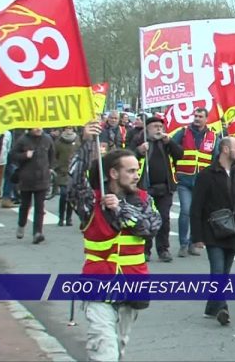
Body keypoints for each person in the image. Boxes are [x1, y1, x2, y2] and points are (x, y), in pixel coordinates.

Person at [68, 121, 161, 362]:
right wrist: (86, 143)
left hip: (133, 284)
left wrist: (121, 209)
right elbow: (74, 185)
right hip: (98, 283)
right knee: (103, 348)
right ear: (113, 173)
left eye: (137, 169)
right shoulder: (92, 202)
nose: (136, 174)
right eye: (130, 170)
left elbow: (150, 227)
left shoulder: (143, 199)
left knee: (119, 346)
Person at [191, 136, 235, 325]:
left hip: (234, 230)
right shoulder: (206, 175)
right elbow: (197, 207)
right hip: (213, 231)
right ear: (225, 150)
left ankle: (212, 306)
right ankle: (222, 308)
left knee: (224, 273)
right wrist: (197, 236)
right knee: (218, 271)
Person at [130, 116, 184, 262]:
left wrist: (170, 142)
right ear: (147, 128)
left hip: (165, 187)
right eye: (155, 126)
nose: (158, 129)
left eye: (160, 126)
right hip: (144, 188)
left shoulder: (166, 141)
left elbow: (180, 154)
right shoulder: (138, 140)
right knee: (145, 219)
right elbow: (126, 157)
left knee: (164, 219)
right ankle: (145, 250)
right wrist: (138, 151)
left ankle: (163, 249)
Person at [172, 107, 218, 257]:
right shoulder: (183, 132)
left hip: (203, 181)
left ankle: (193, 242)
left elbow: (215, 158)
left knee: (198, 213)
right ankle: (183, 244)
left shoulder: (213, 136)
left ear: (206, 119)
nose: (197, 118)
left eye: (200, 116)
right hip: (185, 179)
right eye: (195, 115)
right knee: (186, 211)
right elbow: (172, 147)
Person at [11, 128, 54, 244]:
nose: (38, 129)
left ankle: (37, 232)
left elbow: (51, 155)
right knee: (25, 205)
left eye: (40, 126)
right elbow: (13, 155)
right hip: (26, 179)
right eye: (35, 126)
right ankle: (21, 224)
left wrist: (50, 168)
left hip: (42, 178)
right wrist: (25, 155)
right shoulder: (23, 140)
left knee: (40, 207)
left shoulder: (47, 139)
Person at [53, 127, 80, 226]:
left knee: (71, 196)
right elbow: (54, 155)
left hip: (73, 172)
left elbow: (80, 154)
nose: (68, 130)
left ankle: (68, 218)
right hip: (62, 172)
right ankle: (61, 217)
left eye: (70, 128)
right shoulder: (59, 141)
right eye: (66, 129)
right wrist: (56, 167)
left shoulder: (77, 140)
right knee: (64, 194)